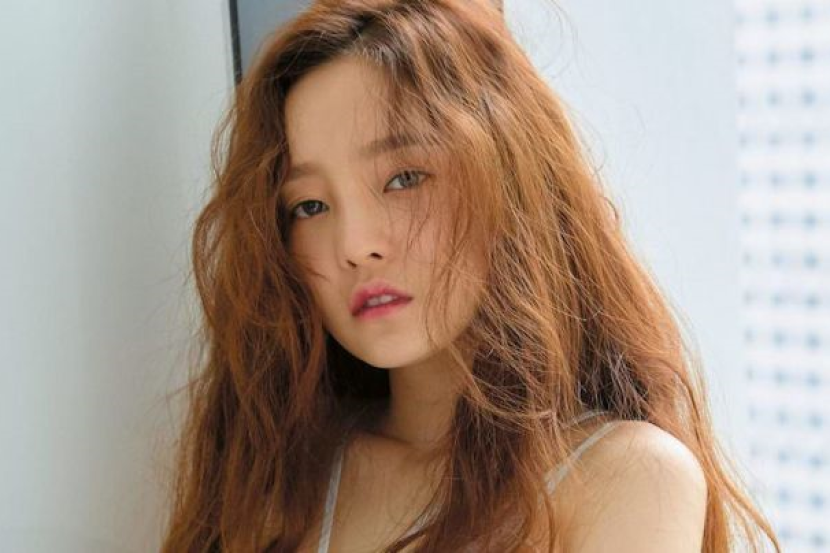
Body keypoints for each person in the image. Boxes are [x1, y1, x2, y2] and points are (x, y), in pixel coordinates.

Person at [160, 1, 781, 551]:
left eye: (403, 179)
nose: (355, 245)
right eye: (310, 206)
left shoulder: (624, 478)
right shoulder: (285, 473)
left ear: (511, 180)